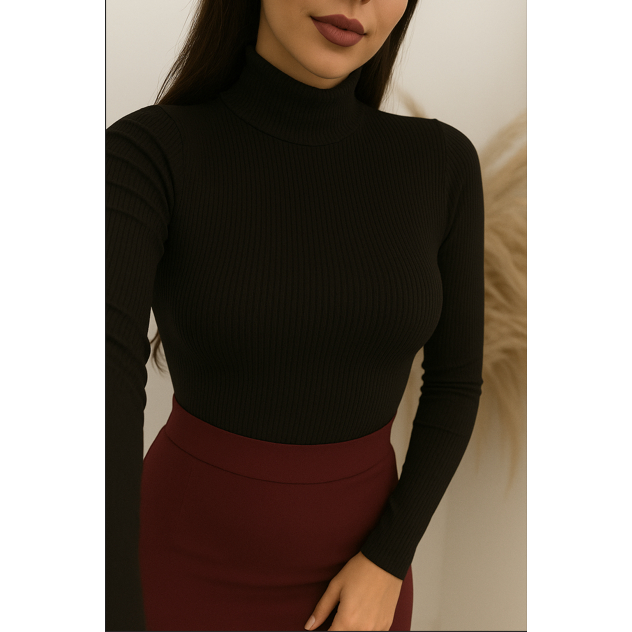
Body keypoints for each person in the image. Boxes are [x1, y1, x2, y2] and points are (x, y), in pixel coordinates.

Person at [105, 0, 485, 630]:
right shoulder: (146, 155)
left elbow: (455, 383)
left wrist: (389, 560)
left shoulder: (441, 164)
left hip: (360, 589)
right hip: (173, 573)